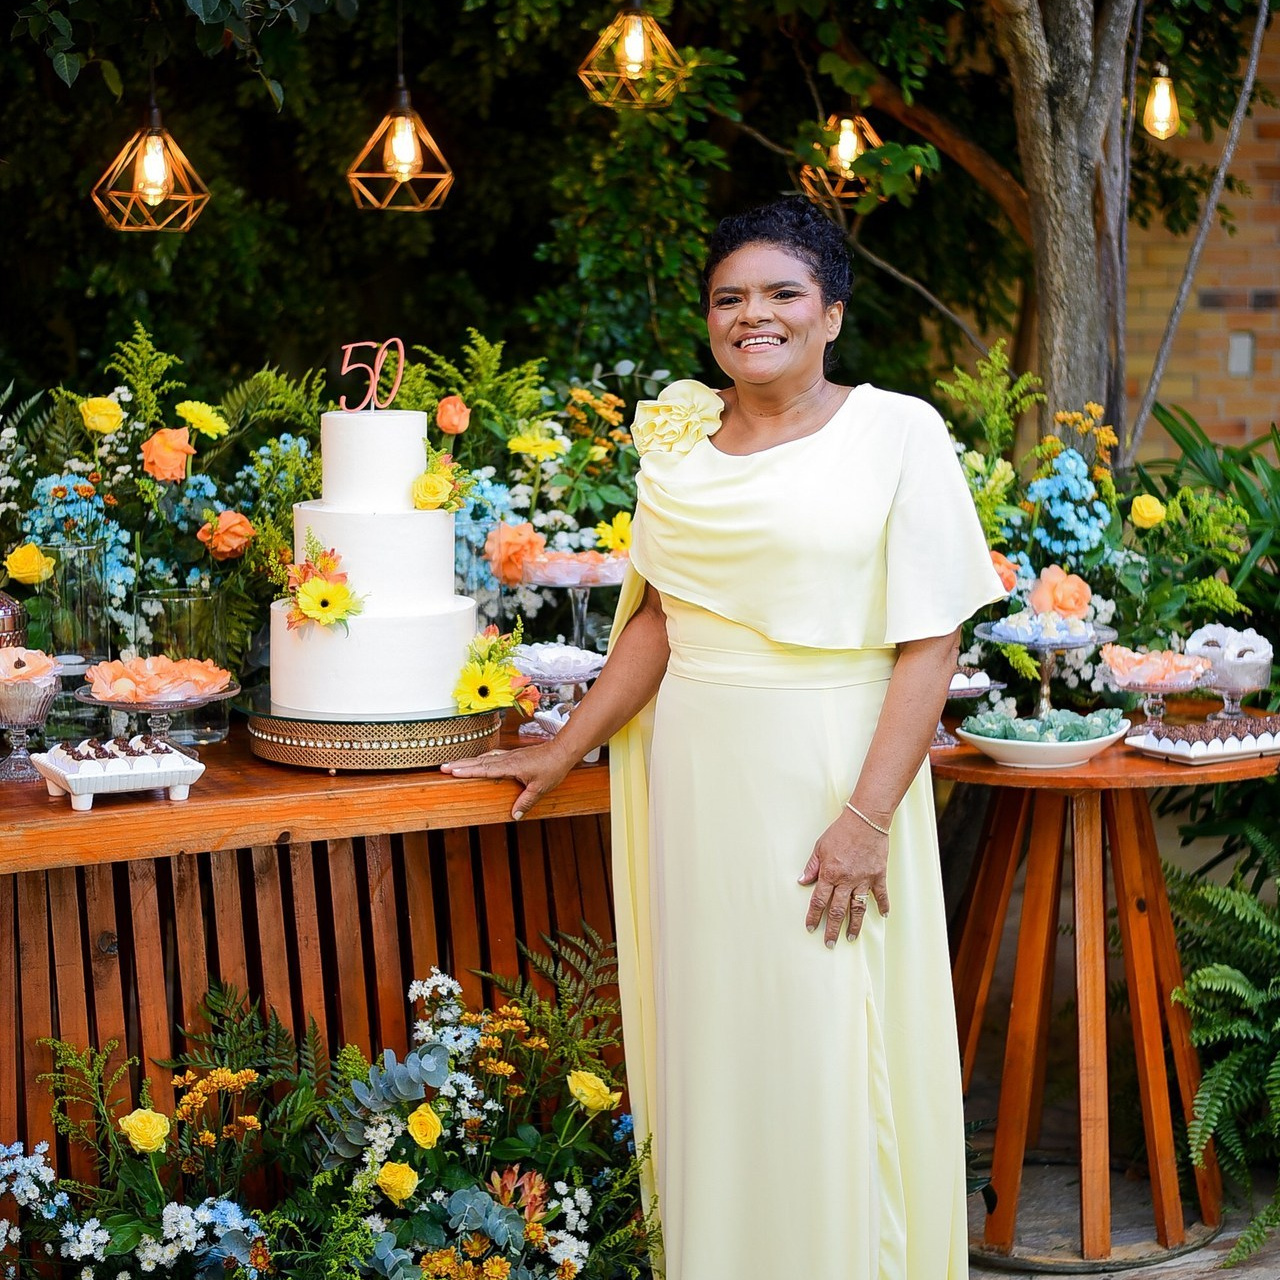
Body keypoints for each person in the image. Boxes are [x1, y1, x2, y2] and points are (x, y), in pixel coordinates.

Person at [444, 196, 1005, 1279]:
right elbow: (659, 619)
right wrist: (565, 745)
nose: (753, 315)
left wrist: (862, 818)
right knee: (722, 1043)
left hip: (832, 774)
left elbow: (928, 642)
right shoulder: (681, 445)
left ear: (831, 311)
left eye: (782, 293)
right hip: (700, 777)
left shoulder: (897, 432)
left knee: (826, 1043)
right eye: (728, 297)